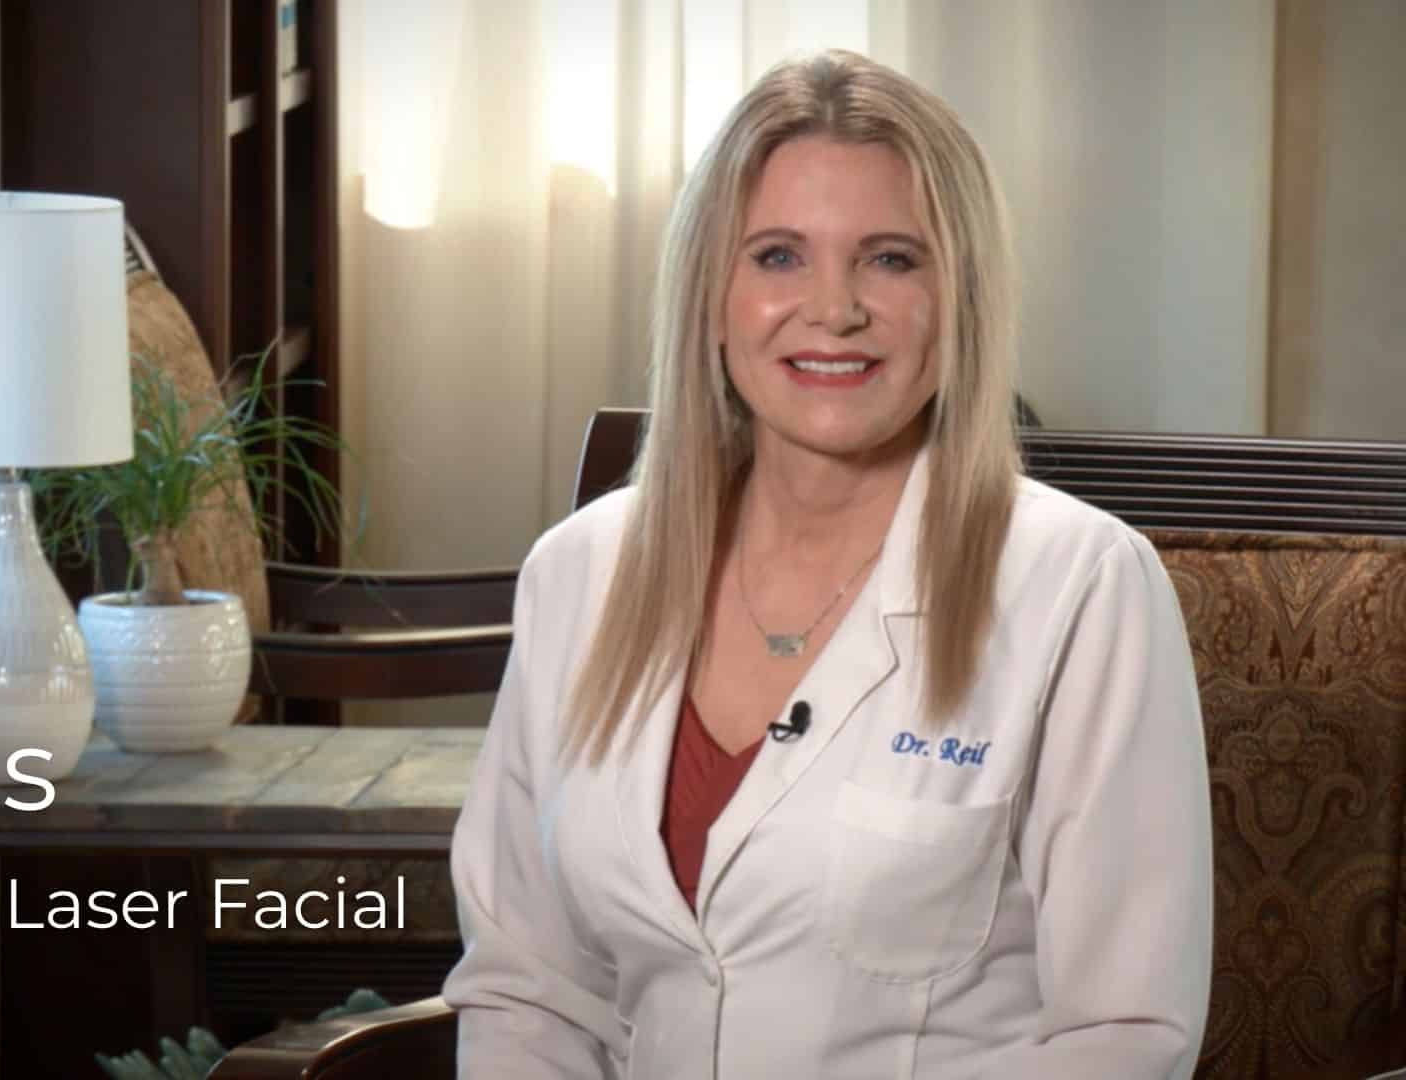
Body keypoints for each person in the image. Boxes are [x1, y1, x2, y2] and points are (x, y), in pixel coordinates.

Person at [442, 49, 1212, 1078]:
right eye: (778, 256)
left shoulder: (1082, 586)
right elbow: (527, 991)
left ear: (960, 297)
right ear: (711, 294)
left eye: (890, 259)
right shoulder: (579, 574)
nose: (835, 308)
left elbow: (1122, 1036)